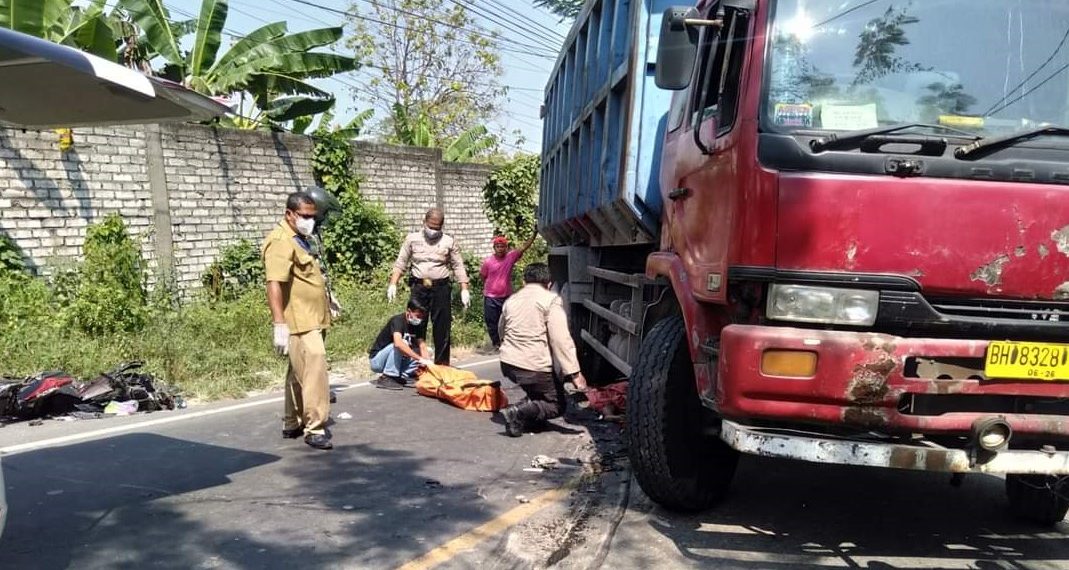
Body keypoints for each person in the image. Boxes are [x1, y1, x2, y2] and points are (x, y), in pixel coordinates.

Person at [262, 192, 333, 450]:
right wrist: (279, 322)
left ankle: (292, 422)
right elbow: (274, 283)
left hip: (313, 316)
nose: (309, 221)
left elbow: (309, 276)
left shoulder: (300, 239)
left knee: (297, 370)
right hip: (299, 319)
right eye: (305, 216)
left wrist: (328, 297)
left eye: (312, 217)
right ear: (289, 214)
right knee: (315, 364)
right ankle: (315, 427)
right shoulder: (281, 241)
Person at [497, 262, 588, 438]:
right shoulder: (550, 300)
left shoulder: (511, 300)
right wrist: (575, 374)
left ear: (524, 282)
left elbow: (501, 329)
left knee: (541, 388)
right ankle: (517, 412)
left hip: (507, 364)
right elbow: (560, 339)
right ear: (549, 284)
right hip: (532, 366)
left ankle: (531, 416)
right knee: (556, 405)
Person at [387, 208, 470, 365]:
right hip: (419, 287)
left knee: (442, 327)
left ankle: (442, 365)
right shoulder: (412, 239)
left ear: (442, 226)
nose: (433, 231)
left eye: (437, 228)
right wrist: (393, 284)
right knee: (415, 324)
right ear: (424, 222)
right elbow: (401, 262)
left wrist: (464, 289)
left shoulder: (448, 241)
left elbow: (458, 265)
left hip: (441, 288)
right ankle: (416, 363)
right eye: (430, 227)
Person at [479, 225, 537, 349]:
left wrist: (534, 234)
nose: (500, 249)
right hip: (491, 297)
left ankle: (509, 341)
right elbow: (482, 276)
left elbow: (523, 248)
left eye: (503, 247)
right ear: (494, 248)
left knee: (509, 320)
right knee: (491, 322)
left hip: (506, 296)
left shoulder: (510, 258)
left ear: (506, 248)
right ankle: (496, 343)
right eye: (498, 247)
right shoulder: (488, 261)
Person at [368, 298, 434, 390]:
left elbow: (422, 346)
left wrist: (427, 363)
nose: (419, 319)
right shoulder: (398, 320)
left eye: (421, 317)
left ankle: (402, 375)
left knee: (429, 351)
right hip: (378, 360)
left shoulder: (417, 326)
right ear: (409, 311)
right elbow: (398, 343)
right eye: (417, 316)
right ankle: (388, 376)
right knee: (402, 344)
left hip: (399, 359)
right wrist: (419, 358)